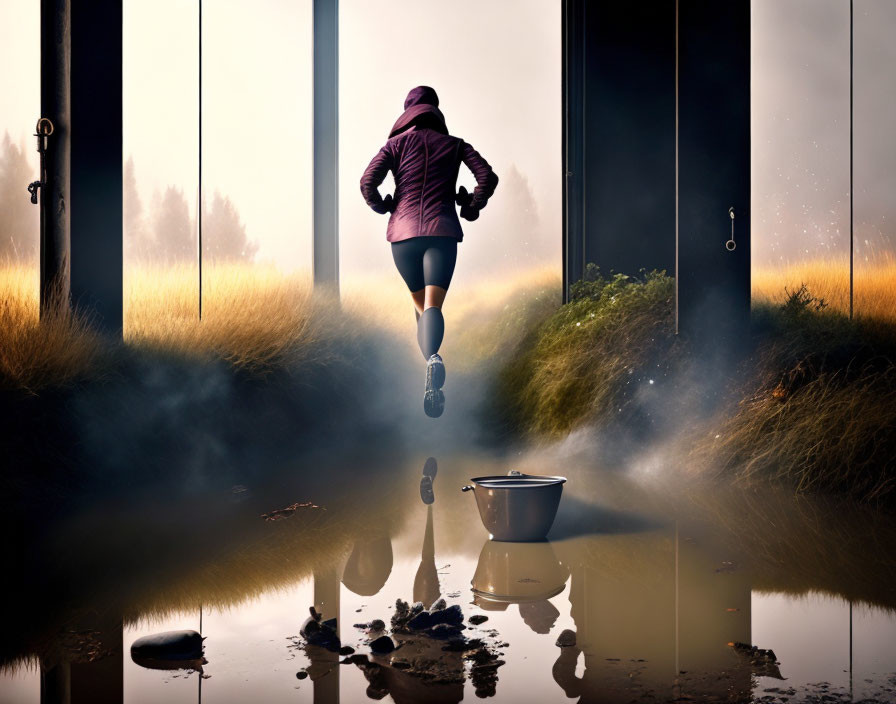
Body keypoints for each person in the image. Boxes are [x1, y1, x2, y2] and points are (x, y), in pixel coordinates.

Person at [360, 86, 498, 418]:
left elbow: (367, 183)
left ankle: (432, 361)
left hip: (403, 239)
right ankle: (433, 359)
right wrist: (471, 207)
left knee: (420, 306)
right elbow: (487, 178)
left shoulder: (393, 146)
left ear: (407, 112)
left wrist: (385, 206)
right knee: (433, 305)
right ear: (435, 111)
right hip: (441, 234)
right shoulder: (455, 145)